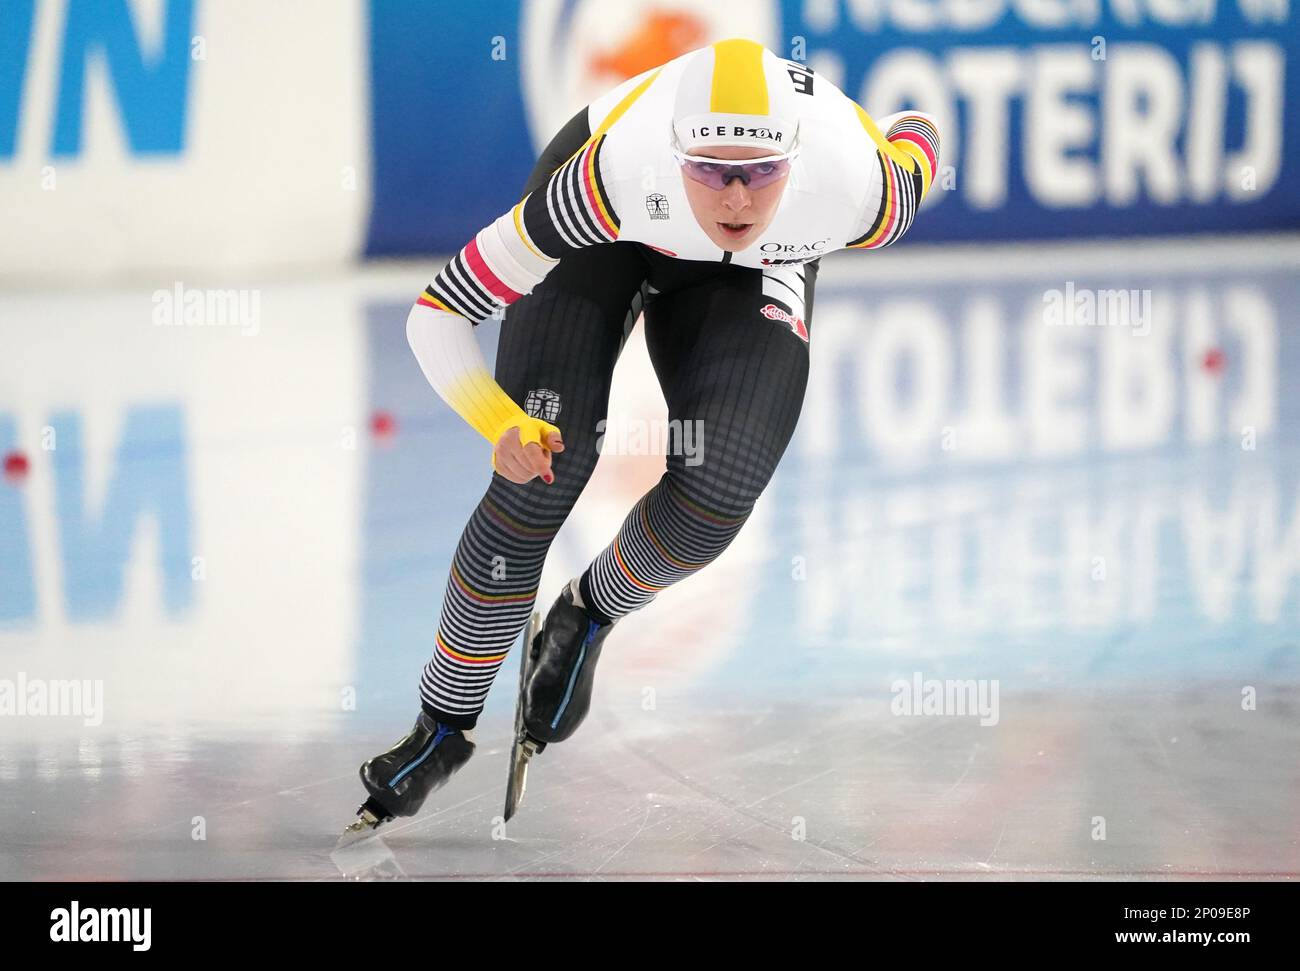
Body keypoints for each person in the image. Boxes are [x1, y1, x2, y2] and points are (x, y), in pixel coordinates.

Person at [348, 38, 940, 831]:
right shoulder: (605, 180)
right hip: (612, 240)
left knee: (720, 484)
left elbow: (920, 130)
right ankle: (442, 727)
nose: (735, 197)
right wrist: (501, 422)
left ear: (796, 158)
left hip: (753, 272)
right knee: (541, 471)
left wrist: (868, 129)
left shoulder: (861, 192)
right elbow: (439, 311)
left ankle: (590, 609)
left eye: (760, 170)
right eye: (711, 169)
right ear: (675, 153)